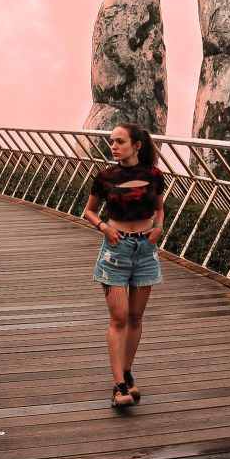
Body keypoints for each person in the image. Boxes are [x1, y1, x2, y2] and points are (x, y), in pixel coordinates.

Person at [83, 122, 165, 407]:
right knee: (119, 318)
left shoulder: (155, 175)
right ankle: (118, 386)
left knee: (135, 318)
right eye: (111, 142)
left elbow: (158, 209)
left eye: (119, 142)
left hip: (146, 250)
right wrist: (104, 228)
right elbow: (89, 211)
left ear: (137, 145)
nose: (114, 147)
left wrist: (158, 228)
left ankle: (128, 373)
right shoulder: (105, 177)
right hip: (115, 251)